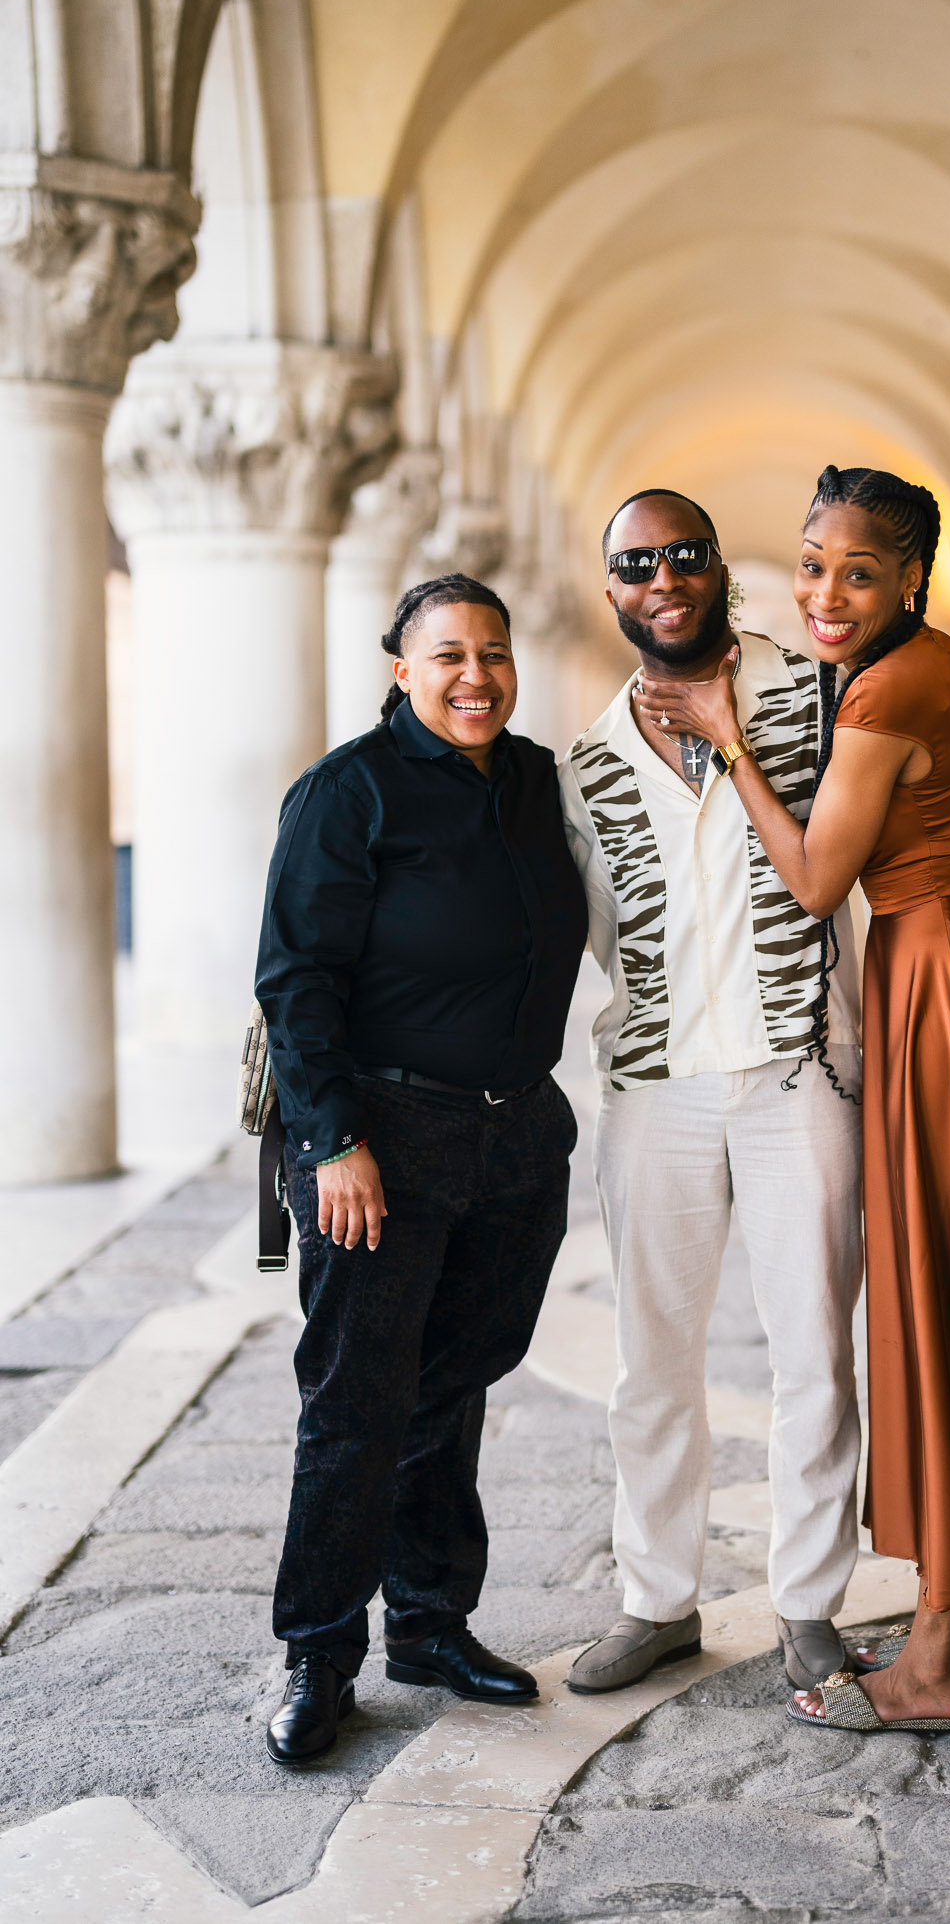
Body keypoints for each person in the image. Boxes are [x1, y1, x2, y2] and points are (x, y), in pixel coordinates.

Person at [634, 466, 950, 1736]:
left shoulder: (892, 680)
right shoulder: (922, 665)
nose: (824, 590)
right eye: (810, 563)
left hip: (944, 998)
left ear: (908, 577)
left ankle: (934, 1656)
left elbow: (815, 878)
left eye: (857, 572)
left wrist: (725, 740)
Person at [558, 489, 950, 1698]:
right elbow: (537, 927)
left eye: (685, 555)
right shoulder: (582, 759)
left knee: (815, 1357)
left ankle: (805, 1606)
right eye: (637, 564)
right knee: (651, 1358)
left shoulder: (823, 689)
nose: (664, 579)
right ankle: (655, 1600)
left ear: (720, 570)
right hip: (653, 1086)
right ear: (611, 588)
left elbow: (941, 801)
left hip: (804, 1073)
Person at [254, 572, 588, 1763]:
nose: (474, 676)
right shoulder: (349, 793)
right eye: (446, 656)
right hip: (381, 1141)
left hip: (512, 1140)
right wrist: (330, 1143)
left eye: (491, 654)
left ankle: (432, 1627)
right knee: (355, 1400)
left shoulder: (540, 781)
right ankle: (319, 1655)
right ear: (402, 670)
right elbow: (295, 981)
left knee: (453, 1385)